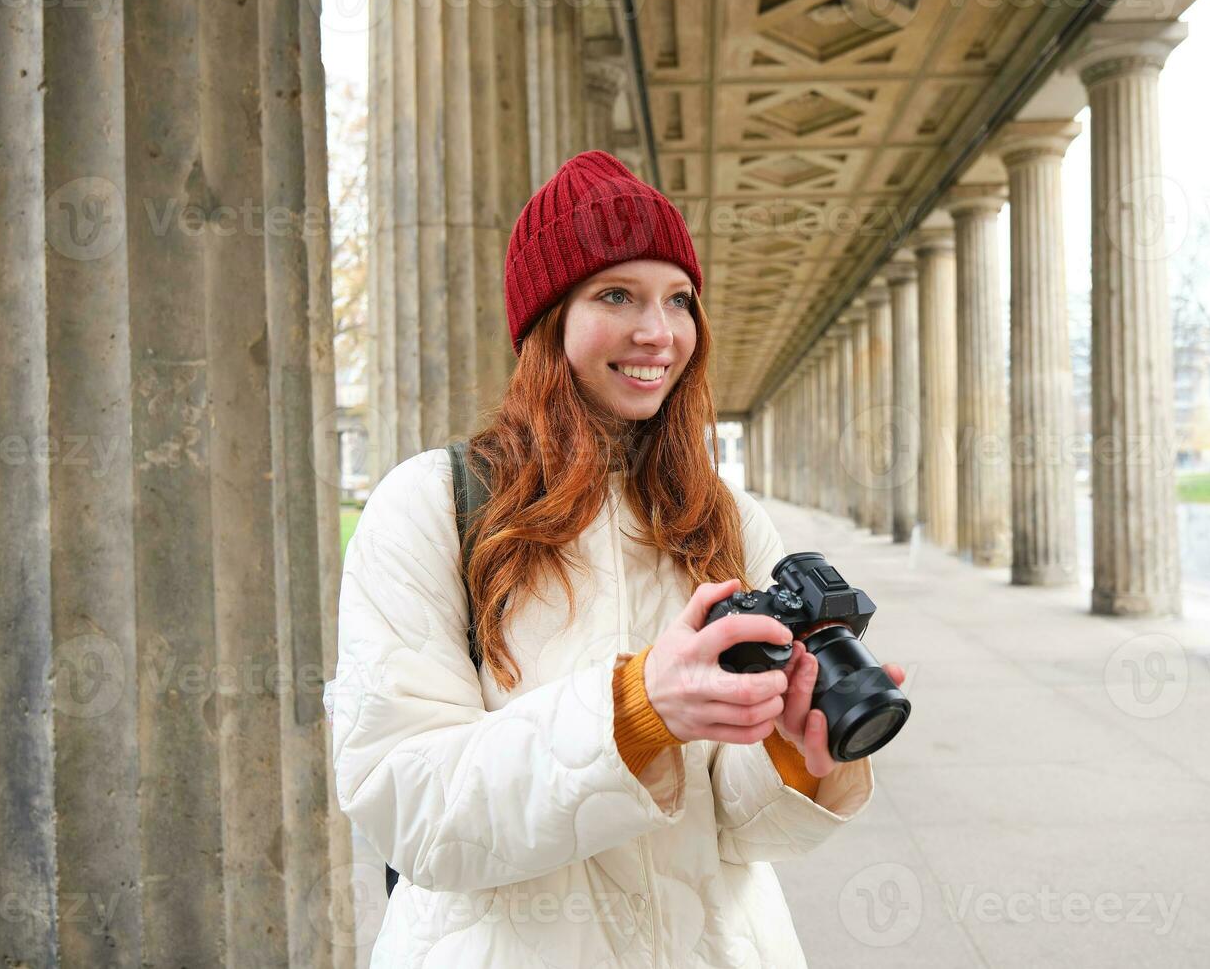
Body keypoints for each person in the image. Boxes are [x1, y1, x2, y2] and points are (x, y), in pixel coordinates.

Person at [331, 150, 906, 966]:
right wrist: (635, 712)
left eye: (678, 300)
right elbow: (404, 803)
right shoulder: (430, 505)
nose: (658, 332)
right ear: (546, 321)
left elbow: (737, 833)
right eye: (615, 295)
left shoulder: (727, 520)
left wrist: (791, 750)